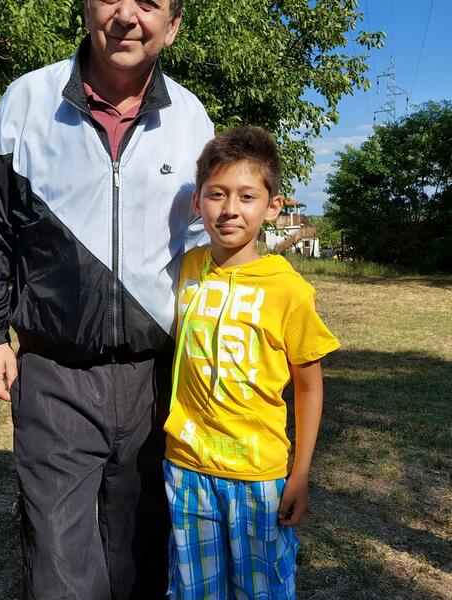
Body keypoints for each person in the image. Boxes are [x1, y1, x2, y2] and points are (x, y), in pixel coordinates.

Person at [0, 1, 213, 598]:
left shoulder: (192, 118)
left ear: (172, 27)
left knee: (143, 551)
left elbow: (207, 243)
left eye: (150, 4)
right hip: (53, 373)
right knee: (60, 562)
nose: (127, 15)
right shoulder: (28, 101)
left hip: (157, 376)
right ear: (86, 8)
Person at [163, 126, 340, 599]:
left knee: (260, 591)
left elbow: (309, 387)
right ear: (198, 200)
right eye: (217, 194)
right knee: (195, 590)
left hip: (258, 478)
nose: (230, 209)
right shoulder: (187, 267)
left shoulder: (289, 290)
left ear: (272, 206)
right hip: (186, 467)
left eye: (246, 196)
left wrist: (300, 473)